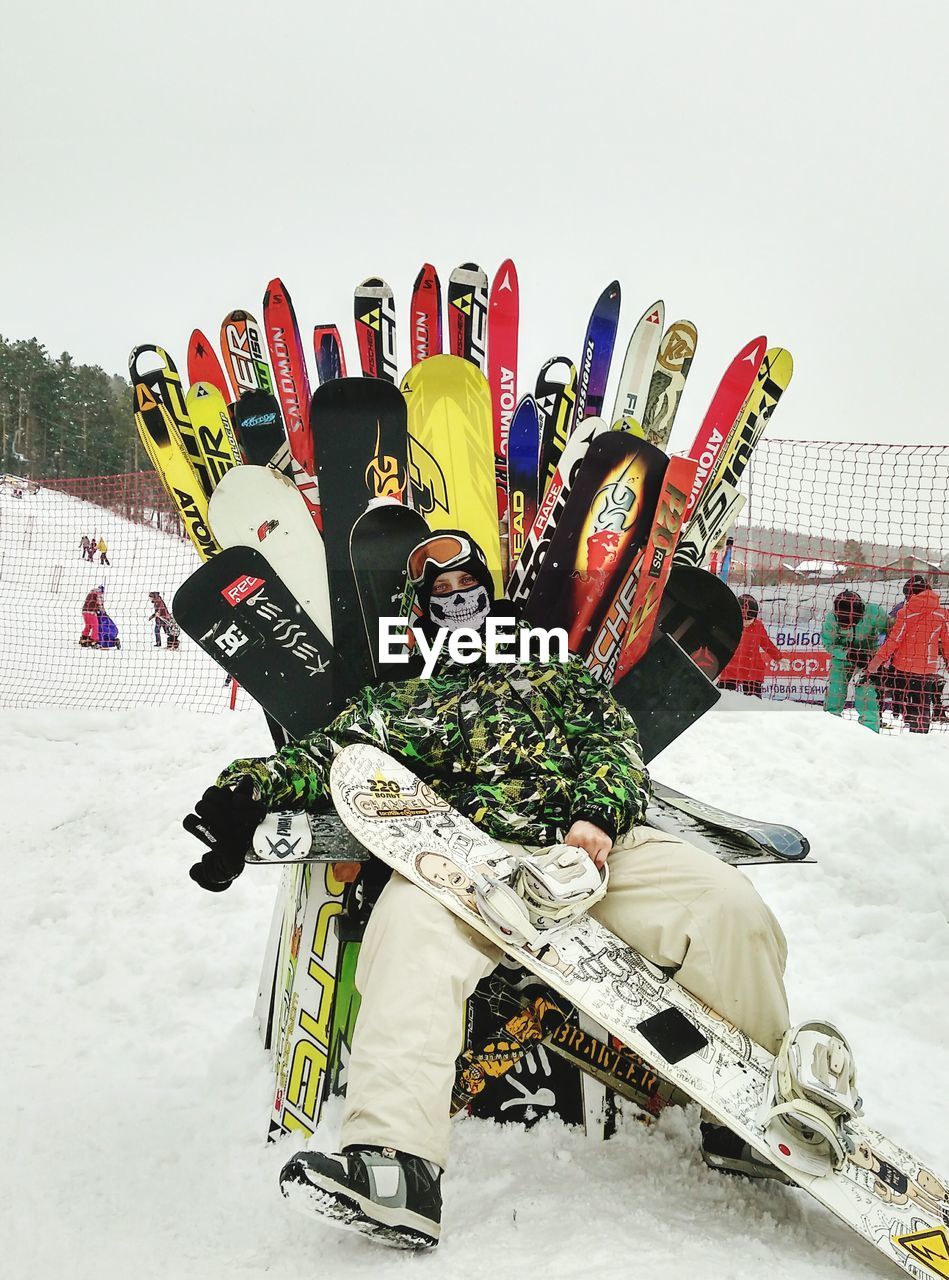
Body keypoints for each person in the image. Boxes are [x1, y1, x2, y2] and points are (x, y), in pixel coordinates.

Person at [184, 530, 793, 1249]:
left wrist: (595, 818)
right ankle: (395, 1166)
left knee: (725, 909)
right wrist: (242, 792)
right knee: (408, 934)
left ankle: (749, 1110)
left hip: (590, 844)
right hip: (475, 864)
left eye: (464, 585)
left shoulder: (557, 676)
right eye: (437, 595)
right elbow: (331, 759)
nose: (454, 599)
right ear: (418, 616)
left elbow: (612, 744)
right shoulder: (403, 703)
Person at [866, 577, 949, 734]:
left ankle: (904, 729)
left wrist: (877, 660)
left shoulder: (905, 613)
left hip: (903, 666)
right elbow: (947, 643)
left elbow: (894, 640)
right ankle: (921, 734)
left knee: (901, 702)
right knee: (921, 705)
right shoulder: (943, 614)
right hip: (927, 668)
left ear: (910, 594)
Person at [820, 590, 890, 732]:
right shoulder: (831, 620)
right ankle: (830, 727)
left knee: (866, 690)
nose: (848, 625)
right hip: (843, 657)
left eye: (851, 622)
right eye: (844, 623)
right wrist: (847, 654)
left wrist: (878, 655)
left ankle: (869, 728)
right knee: (836, 689)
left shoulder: (875, 612)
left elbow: (889, 631)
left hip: (869, 657)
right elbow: (829, 644)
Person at [718, 594, 781, 698]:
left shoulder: (758, 626)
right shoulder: (729, 625)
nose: (746, 623)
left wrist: (778, 657)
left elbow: (766, 644)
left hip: (752, 668)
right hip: (732, 668)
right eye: (743, 620)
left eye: (749, 620)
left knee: (754, 699)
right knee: (724, 697)